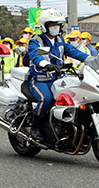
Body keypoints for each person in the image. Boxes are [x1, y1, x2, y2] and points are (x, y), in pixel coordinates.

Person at [28, 9, 90, 142]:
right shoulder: (35, 41)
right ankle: (35, 127)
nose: (55, 27)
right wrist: (46, 64)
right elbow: (35, 55)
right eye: (52, 24)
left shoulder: (60, 41)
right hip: (40, 79)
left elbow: (75, 52)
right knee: (46, 99)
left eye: (58, 24)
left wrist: (92, 59)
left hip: (58, 79)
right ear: (45, 25)